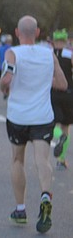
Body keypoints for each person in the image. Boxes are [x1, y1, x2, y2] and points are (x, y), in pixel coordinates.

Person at [0, 15, 67, 233]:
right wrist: (43, 79)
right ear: (37, 33)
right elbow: (62, 84)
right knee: (42, 159)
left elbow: (6, 80)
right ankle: (46, 195)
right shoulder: (48, 54)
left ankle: (20, 210)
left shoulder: (13, 53)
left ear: (18, 33)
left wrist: (4, 87)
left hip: (18, 115)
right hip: (42, 116)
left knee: (18, 159)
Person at [50, 29, 73, 170]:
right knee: (66, 127)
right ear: (65, 41)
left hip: (52, 93)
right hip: (69, 93)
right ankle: (61, 159)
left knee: (50, 123)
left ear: (53, 41)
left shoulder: (48, 54)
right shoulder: (70, 54)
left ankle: (58, 136)